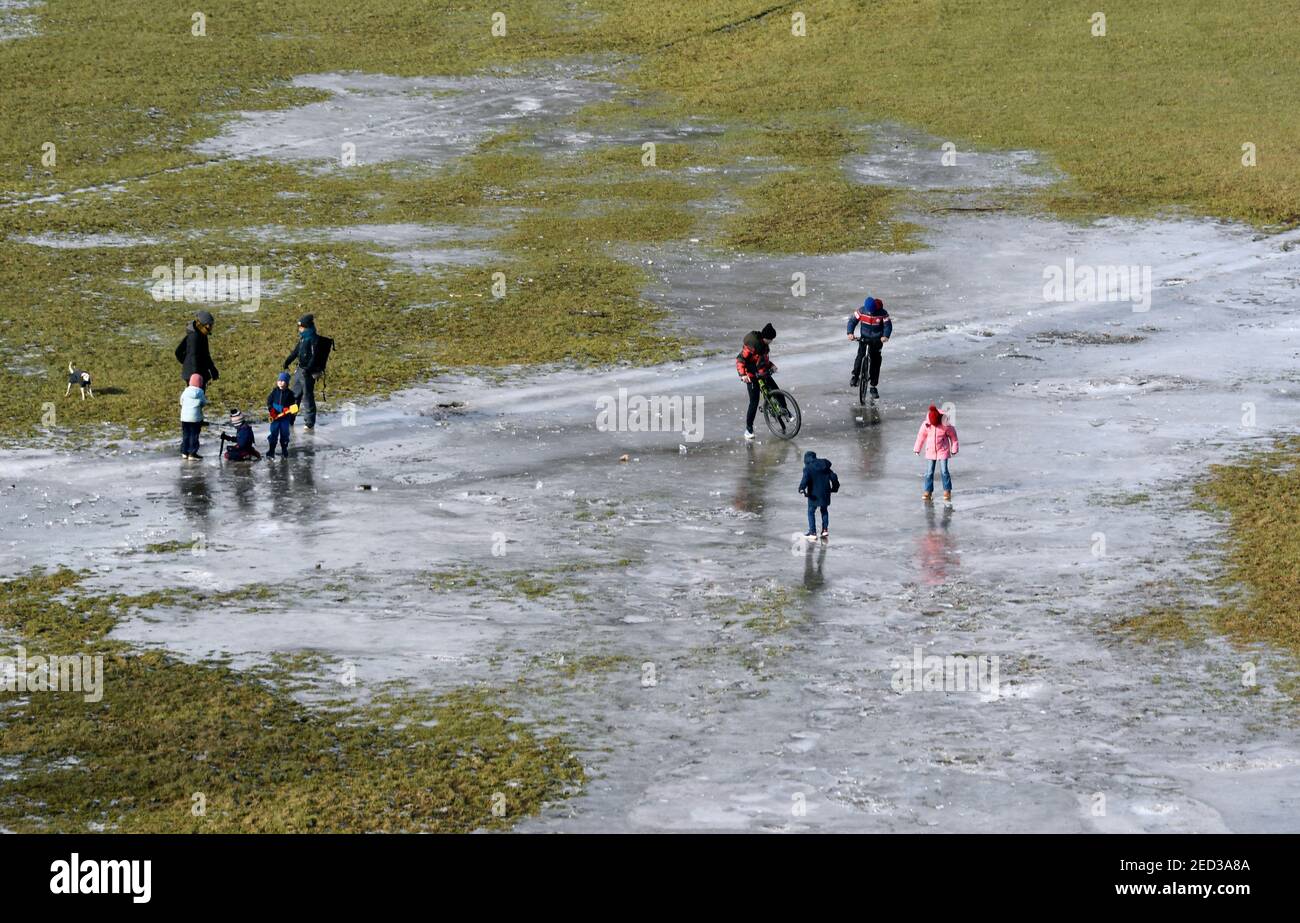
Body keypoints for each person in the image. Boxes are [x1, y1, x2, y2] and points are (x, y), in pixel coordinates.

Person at [735, 323, 786, 439]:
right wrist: (742, 375)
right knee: (754, 402)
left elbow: (764, 361)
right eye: (771, 339)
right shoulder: (752, 345)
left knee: (776, 390)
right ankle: (748, 429)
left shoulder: (765, 346)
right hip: (751, 375)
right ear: (766, 338)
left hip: (761, 372)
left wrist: (771, 366)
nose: (772, 341)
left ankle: (785, 411)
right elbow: (740, 360)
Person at [846, 296, 892, 399]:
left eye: (872, 311)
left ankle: (873, 386)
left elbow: (888, 325)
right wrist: (850, 333)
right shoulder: (861, 311)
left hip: (877, 340)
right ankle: (855, 376)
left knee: (876, 362)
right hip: (865, 338)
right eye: (869, 311)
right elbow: (852, 321)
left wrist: (885, 336)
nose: (870, 313)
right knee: (860, 356)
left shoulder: (882, 313)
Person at [913, 404, 958, 503]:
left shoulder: (945, 423)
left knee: (944, 471)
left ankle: (947, 491)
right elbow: (921, 437)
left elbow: (953, 437)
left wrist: (954, 449)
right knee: (929, 472)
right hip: (931, 451)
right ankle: (928, 492)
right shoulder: (926, 424)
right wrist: (917, 448)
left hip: (943, 450)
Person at [283, 314, 320, 430]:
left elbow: (315, 357)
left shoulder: (313, 339)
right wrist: (287, 361)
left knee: (307, 397)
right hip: (299, 370)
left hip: (308, 373)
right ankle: (290, 418)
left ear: (307, 327)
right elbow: (296, 351)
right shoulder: (303, 338)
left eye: (301, 327)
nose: (299, 329)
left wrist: (308, 369)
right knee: (294, 396)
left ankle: (309, 422)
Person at [798, 450, 839, 540]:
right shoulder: (825, 466)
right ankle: (825, 530)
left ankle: (812, 532)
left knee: (811, 511)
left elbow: (805, 479)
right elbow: (833, 477)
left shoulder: (808, 468)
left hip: (814, 494)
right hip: (825, 493)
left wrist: (801, 488)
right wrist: (835, 488)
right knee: (824, 510)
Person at [175, 309, 219, 386]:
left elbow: (205, 355)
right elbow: (193, 356)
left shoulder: (201, 334)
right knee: (195, 396)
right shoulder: (194, 336)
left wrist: (212, 369)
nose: (212, 327)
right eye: (210, 324)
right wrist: (194, 372)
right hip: (194, 375)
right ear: (205, 324)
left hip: (198, 372)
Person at [266, 371, 296, 459]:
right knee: (273, 433)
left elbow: (293, 406)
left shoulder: (290, 394)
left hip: (285, 419)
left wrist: (288, 410)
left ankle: (284, 449)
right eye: (279, 380)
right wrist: (271, 410)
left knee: (285, 434)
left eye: (283, 381)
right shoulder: (274, 391)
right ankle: (271, 450)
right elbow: (269, 401)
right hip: (274, 417)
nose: (280, 382)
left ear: (287, 383)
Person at [179, 373, 207, 460]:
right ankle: (192, 453)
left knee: (186, 434)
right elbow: (203, 403)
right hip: (195, 419)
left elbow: (181, 401)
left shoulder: (186, 391)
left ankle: (184, 452)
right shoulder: (200, 392)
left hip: (184, 418)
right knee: (194, 435)